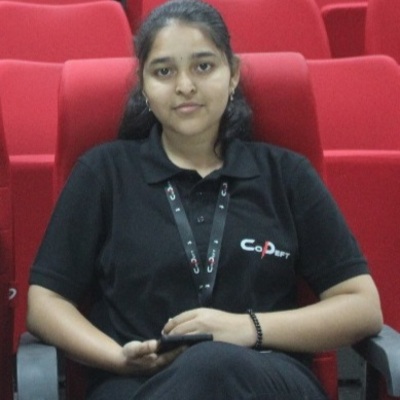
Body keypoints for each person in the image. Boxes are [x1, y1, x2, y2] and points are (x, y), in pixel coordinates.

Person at [27, 1, 383, 399]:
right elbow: (45, 302)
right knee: (204, 368)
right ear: (143, 85)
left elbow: (361, 306)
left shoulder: (286, 174)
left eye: (203, 66)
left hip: (265, 376)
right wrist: (117, 357)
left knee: (214, 364)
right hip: (137, 384)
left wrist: (247, 328)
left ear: (233, 75)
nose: (185, 85)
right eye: (164, 71)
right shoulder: (103, 173)